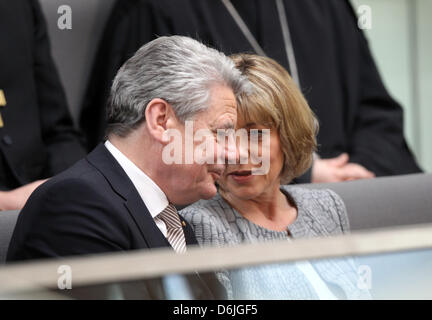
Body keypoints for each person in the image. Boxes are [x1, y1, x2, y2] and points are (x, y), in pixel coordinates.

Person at [6, 36, 250, 299]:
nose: (234, 153)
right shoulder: (73, 205)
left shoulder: (172, 218)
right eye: (221, 134)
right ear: (161, 120)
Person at [80, 0, 421, 183]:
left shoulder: (327, 6)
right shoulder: (153, 8)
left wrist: (356, 177)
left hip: (352, 196)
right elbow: (139, 142)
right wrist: (300, 174)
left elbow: (376, 111)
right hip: (230, 218)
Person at [180, 54, 371, 299]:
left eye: (256, 135)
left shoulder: (327, 205)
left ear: (288, 136)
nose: (237, 154)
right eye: (224, 135)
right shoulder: (201, 224)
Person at [0, 0, 87, 210]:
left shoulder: (18, 6)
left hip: (40, 197)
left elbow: (57, 131)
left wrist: (78, 181)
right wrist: (6, 203)